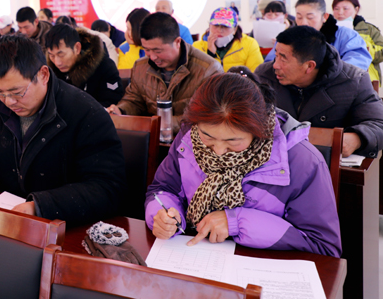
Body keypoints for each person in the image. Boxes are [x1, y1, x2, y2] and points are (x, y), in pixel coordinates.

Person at [146, 72, 341, 257]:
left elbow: (322, 245)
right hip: (193, 255)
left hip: (263, 267)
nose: (218, 151)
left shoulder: (302, 161)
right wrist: (163, 214)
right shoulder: (189, 138)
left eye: (233, 141)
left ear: (259, 130)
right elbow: (163, 189)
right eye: (208, 136)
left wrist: (237, 222)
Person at [0, 34, 126, 225]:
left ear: (43, 75)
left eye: (17, 92)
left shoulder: (86, 113)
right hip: (6, 220)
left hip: (65, 226)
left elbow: (107, 187)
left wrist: (40, 206)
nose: (9, 102)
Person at [257, 26, 383, 158]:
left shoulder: (354, 80)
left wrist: (357, 138)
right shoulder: (264, 76)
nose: (275, 65)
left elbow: (378, 123)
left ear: (309, 66)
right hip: (273, 160)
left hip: (327, 162)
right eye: (276, 55)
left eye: (283, 59)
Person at [107, 13, 223, 133]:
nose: (152, 57)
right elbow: (134, 100)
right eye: (147, 50)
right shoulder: (140, 66)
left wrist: (163, 124)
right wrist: (120, 111)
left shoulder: (209, 70)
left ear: (177, 42)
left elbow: (209, 116)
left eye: (158, 51)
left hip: (190, 140)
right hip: (151, 137)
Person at [264, 0, 372, 71]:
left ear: (324, 17)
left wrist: (328, 73)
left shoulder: (345, 35)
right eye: (299, 17)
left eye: (310, 17)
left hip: (335, 86)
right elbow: (270, 63)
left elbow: (357, 61)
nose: (303, 22)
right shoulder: (288, 37)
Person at [45, 24, 124, 107]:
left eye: (61, 55)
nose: (57, 62)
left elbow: (112, 103)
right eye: (52, 56)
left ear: (77, 48)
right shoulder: (49, 72)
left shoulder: (104, 66)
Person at [332, 0, 383, 83]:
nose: (340, 12)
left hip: (368, 79)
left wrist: (360, 44)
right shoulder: (328, 30)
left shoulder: (369, 29)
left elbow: (381, 53)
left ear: (356, 9)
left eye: (345, 9)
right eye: (336, 9)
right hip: (336, 78)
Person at [193, 7, 263, 72]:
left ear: (235, 29)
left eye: (225, 26)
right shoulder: (197, 47)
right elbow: (196, 76)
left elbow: (256, 74)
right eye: (216, 25)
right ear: (209, 26)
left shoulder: (249, 44)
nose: (220, 30)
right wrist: (210, 55)